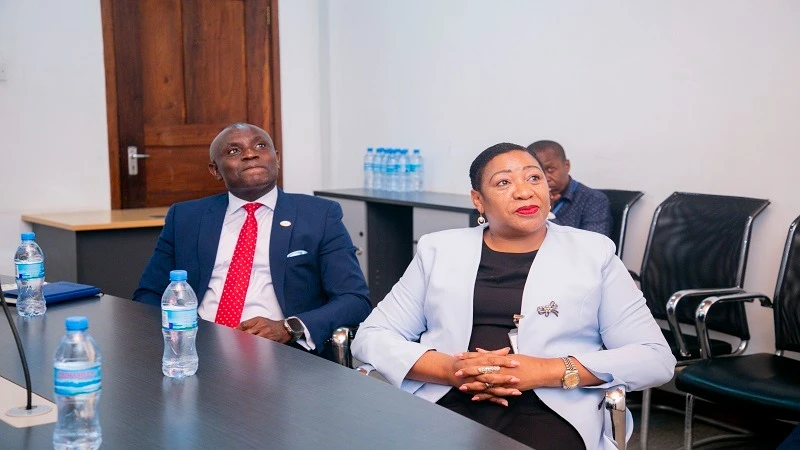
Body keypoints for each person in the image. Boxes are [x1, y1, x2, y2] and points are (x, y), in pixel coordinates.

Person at [351, 143, 675, 449]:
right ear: (478, 200)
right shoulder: (439, 249)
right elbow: (371, 337)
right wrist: (451, 369)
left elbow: (655, 357)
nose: (524, 191)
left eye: (535, 177)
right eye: (504, 182)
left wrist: (547, 370)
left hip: (552, 405)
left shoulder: (594, 253)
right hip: (448, 395)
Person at [134, 123, 371, 353]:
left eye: (260, 146)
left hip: (282, 352)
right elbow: (149, 294)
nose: (250, 155)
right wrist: (181, 336)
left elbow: (354, 299)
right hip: (198, 348)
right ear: (215, 170)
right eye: (234, 151)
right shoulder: (185, 217)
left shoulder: (319, 216)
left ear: (276, 157)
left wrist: (289, 328)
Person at [527, 140, 612, 237]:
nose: (545, 178)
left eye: (550, 169)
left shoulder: (594, 200)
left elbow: (594, 246)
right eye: (536, 172)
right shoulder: (524, 198)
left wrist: (547, 213)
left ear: (567, 166)